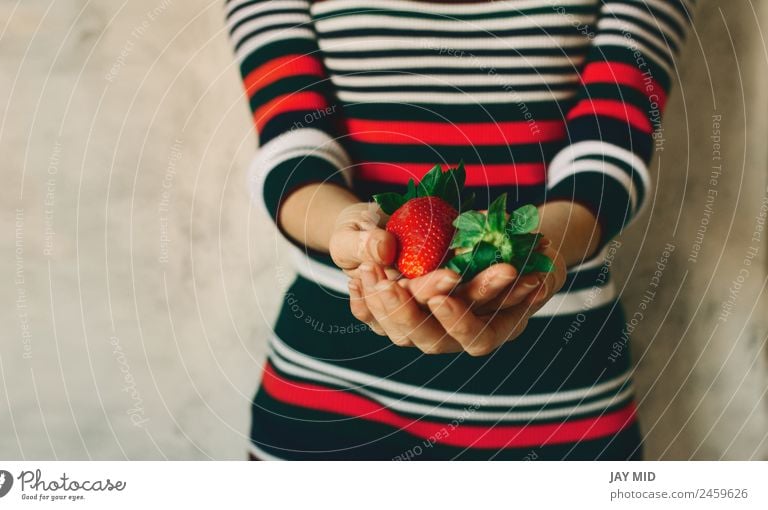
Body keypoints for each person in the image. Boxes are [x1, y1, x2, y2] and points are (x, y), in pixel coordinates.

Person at [227, 0, 694, 460]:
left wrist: (536, 252)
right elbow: (292, 144)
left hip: (556, 398)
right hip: (327, 395)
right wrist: (351, 233)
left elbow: (611, 145)